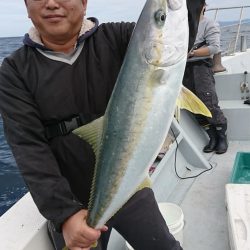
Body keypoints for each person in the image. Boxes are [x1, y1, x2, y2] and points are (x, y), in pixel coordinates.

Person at [0, 0, 190, 249]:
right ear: (26, 7)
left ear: (84, 2)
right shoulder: (14, 70)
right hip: (68, 194)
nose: (51, 4)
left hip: (130, 183)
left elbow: (172, 34)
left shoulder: (119, 37)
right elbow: (28, 148)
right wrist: (65, 214)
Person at [183, 0, 228, 154]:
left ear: (203, 7)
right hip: (183, 68)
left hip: (201, 66)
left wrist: (193, 52)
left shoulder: (209, 24)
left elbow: (214, 47)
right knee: (192, 103)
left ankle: (221, 137)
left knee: (208, 101)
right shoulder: (184, 25)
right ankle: (212, 137)